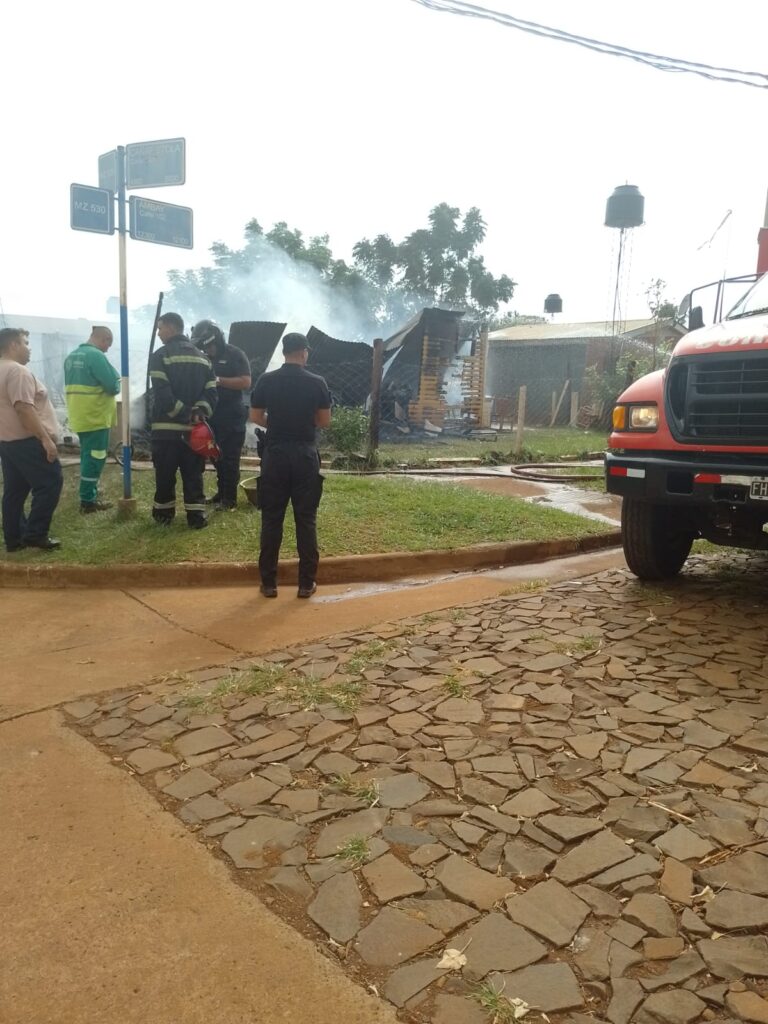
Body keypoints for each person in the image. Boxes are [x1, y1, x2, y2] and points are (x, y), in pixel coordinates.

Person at [250, 332, 330, 598]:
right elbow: (323, 420)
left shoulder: (267, 380)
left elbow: (255, 416)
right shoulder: (317, 382)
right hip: (305, 455)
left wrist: (279, 425)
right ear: (304, 352)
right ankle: (306, 584)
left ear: (284, 352)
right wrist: (301, 425)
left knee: (272, 519)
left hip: (275, 455)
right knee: (306, 519)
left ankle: (269, 584)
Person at [148, 312, 218, 529]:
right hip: (194, 433)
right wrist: (198, 413)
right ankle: (196, 517)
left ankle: (163, 516)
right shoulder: (203, 358)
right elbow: (212, 394)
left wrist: (183, 412)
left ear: (170, 327)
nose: (158, 333)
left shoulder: (161, 356)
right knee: (193, 475)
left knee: (165, 475)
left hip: (165, 431)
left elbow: (162, 393)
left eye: (160, 328)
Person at [0, 327, 63, 551]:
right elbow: (24, 409)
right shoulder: (17, 371)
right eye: (26, 343)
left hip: (7, 443)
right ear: (13, 345)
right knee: (50, 482)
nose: (30, 348)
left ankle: (14, 539)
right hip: (28, 441)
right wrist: (45, 439)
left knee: (15, 491)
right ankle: (36, 534)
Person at [190, 320, 251, 510]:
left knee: (230, 458)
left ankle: (229, 500)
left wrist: (219, 381)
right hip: (211, 416)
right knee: (215, 457)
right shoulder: (202, 357)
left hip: (232, 415)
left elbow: (245, 382)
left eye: (210, 346)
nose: (208, 350)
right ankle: (221, 493)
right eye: (204, 347)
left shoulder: (235, 354)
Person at [63, 326, 121, 513]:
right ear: (104, 339)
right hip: (95, 415)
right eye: (108, 344)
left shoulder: (72, 356)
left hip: (80, 415)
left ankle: (88, 493)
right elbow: (113, 385)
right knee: (95, 457)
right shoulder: (95, 356)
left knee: (87, 455)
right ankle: (88, 500)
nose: (107, 349)